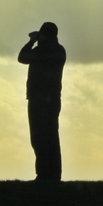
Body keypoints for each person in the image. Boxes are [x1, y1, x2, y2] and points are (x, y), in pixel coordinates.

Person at [17, 22, 66, 181]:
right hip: (54, 99)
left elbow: (22, 57)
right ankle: (55, 174)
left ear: (43, 35)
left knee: (39, 138)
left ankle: (43, 174)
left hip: (38, 99)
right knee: (52, 137)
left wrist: (32, 41)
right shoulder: (60, 51)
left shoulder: (41, 50)